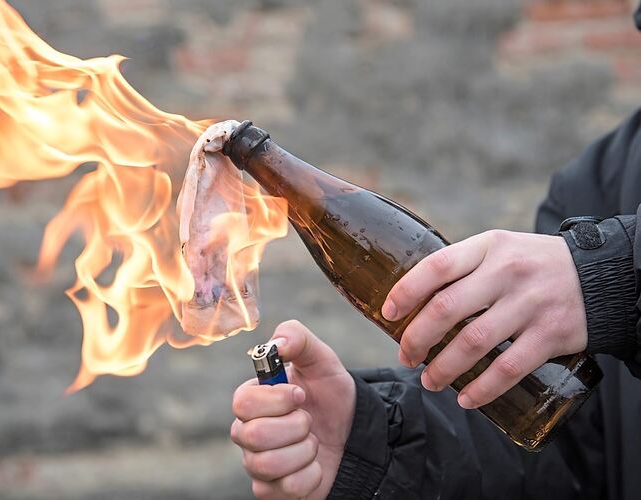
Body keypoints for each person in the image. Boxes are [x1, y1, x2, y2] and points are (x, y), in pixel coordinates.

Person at [230, 20, 641, 500]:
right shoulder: (599, 178)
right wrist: (370, 442)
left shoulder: (600, 202)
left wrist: (613, 275)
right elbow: (571, 447)